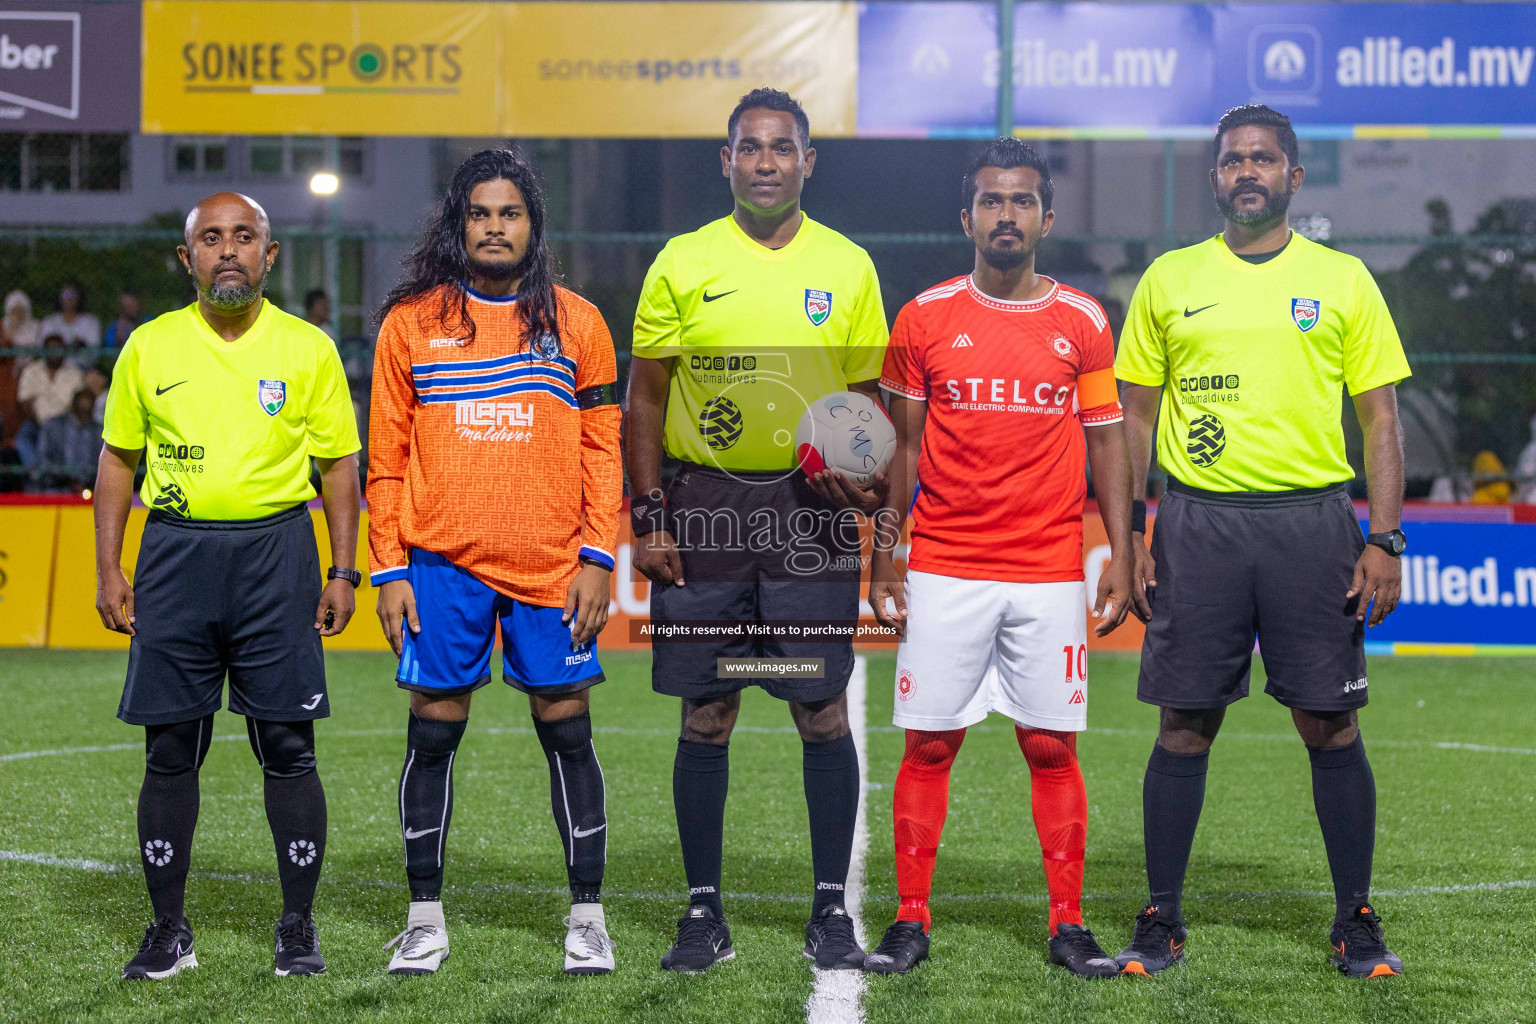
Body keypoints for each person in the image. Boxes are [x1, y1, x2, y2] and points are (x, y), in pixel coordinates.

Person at [1114, 105, 1411, 978]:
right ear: (1215, 177)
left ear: (1293, 176)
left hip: (1314, 526)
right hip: (1198, 523)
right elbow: (1133, 415)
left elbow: (1380, 418)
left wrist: (1384, 538)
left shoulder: (1345, 280)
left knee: (1330, 723)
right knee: (1183, 724)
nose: (1248, 172)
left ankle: (1355, 915)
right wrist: (1130, 531)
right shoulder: (1169, 279)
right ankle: (1159, 916)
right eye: (1233, 160)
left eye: (1264, 159)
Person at [627, 87, 890, 974]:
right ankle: (702, 913)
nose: (767, 161)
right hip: (704, 513)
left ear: (808, 162)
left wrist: (864, 476)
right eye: (751, 148)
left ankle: (828, 912)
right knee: (709, 710)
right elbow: (647, 397)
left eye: (783, 147)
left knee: (819, 705)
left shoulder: (849, 267)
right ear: (728, 161)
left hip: (809, 519)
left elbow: (870, 405)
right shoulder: (682, 261)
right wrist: (650, 513)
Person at [861, 140, 1135, 978]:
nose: (1005, 215)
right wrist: (883, 556)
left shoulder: (1082, 321)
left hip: (1050, 568)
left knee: (1052, 747)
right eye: (990, 201)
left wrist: (1126, 549)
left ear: (1046, 218)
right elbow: (897, 450)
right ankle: (910, 920)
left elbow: (1108, 444)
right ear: (967, 217)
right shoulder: (924, 318)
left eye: (1021, 202)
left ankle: (1068, 922)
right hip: (944, 564)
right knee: (930, 747)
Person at [368, 148, 623, 977]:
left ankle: (587, 917)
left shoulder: (578, 323)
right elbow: (386, 458)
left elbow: (603, 451)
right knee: (434, 733)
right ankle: (424, 918)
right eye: (480, 213)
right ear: (458, 222)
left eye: (509, 213)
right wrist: (389, 568)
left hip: (554, 566)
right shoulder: (410, 323)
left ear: (532, 226)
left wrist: (596, 555)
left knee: (567, 730)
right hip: (439, 564)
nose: (494, 226)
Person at [95, 191, 362, 981]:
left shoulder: (307, 348)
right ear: (188, 259)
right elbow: (117, 460)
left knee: (287, 743)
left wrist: (343, 568)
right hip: (175, 556)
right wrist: (110, 566)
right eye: (211, 239)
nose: (229, 251)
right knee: (170, 747)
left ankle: (297, 926)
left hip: (278, 554)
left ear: (270, 255)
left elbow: (339, 465)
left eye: (245, 237)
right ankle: (168, 930)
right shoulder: (148, 347)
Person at [15, 334, 85, 467]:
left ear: (64, 350)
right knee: (22, 438)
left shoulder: (75, 373)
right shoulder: (30, 371)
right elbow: (25, 403)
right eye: (51, 348)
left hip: (64, 425)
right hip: (36, 423)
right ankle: (37, 472)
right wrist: (41, 423)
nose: (54, 352)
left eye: (58, 348)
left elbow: (75, 406)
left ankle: (65, 476)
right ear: (44, 350)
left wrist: (55, 424)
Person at [39, 387, 102, 490]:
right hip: (58, 485)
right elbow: (43, 459)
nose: (84, 414)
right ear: (73, 406)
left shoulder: (99, 431)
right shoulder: (52, 427)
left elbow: (104, 463)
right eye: (81, 410)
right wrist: (65, 478)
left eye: (88, 411)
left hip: (91, 486)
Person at [38, 280, 101, 366]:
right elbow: (44, 350)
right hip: (56, 371)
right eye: (66, 294)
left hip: (83, 371)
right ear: (59, 297)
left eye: (73, 294)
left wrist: (83, 346)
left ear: (79, 297)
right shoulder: (49, 322)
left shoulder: (91, 322)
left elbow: (94, 353)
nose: (70, 298)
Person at [3, 289, 40, 370]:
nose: (18, 314)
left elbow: (38, 352)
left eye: (21, 310)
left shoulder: (35, 326)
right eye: (14, 311)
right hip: (8, 369)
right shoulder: (2, 326)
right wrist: (11, 330)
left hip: (32, 368)